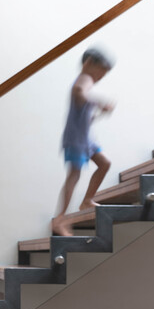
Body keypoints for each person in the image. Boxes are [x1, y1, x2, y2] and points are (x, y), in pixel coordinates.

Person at [52, 48, 115, 237]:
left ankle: (87, 200)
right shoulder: (84, 79)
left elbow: (82, 110)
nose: (99, 79)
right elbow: (79, 92)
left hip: (85, 138)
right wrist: (100, 103)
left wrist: (95, 114)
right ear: (88, 64)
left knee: (104, 164)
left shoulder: (86, 81)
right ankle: (59, 219)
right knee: (74, 175)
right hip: (76, 139)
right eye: (100, 74)